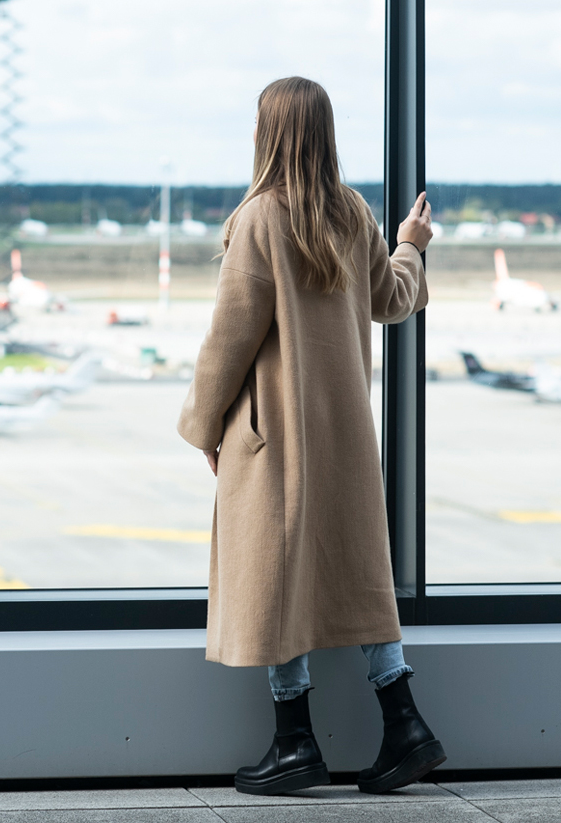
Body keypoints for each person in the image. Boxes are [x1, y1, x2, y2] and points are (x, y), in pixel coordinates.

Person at [177, 76, 443, 796]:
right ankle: (405, 724)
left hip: (276, 438)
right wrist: (412, 245)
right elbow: (393, 299)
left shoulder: (260, 219)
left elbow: (227, 339)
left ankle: (294, 741)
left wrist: (205, 426)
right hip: (345, 436)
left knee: (273, 576)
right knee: (359, 569)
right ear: (325, 132)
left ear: (266, 134)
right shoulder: (352, 213)